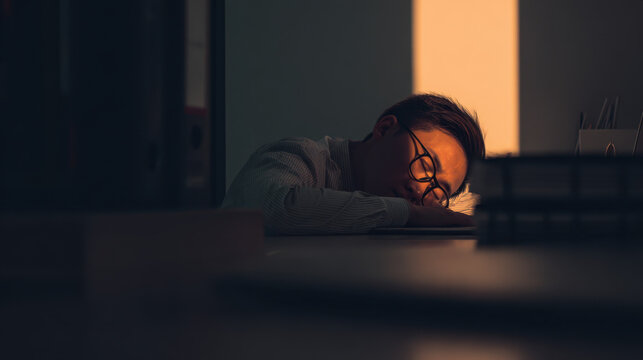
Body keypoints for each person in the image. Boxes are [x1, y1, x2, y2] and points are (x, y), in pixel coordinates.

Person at [221, 93, 486, 234]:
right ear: (384, 129)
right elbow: (268, 208)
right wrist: (409, 213)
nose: (420, 191)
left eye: (439, 191)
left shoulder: (393, 237)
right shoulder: (301, 156)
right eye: (426, 165)